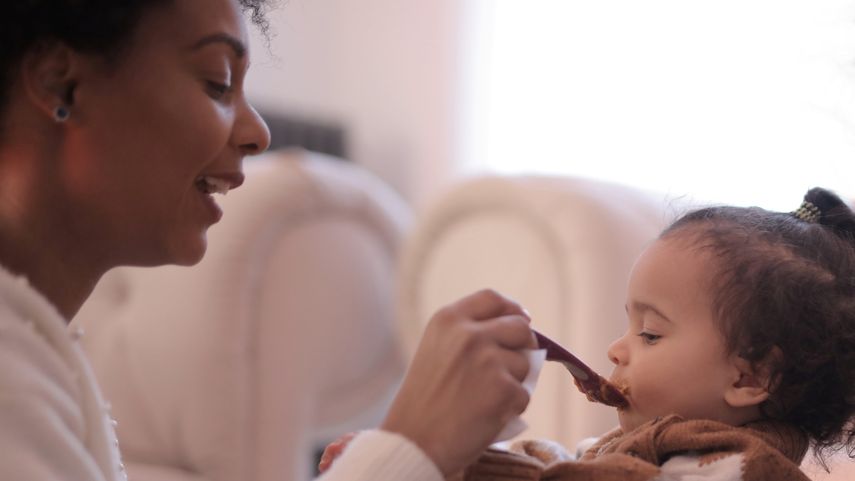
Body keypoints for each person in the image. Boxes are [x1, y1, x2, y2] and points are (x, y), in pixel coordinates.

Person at [0, 1, 535, 480]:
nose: (259, 133)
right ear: (59, 85)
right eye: (216, 81)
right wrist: (412, 446)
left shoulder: (39, 357)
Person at [327, 188, 855, 480]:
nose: (616, 348)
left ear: (751, 374)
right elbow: (552, 462)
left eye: (650, 334)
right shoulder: (625, 448)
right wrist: (441, 460)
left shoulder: (747, 471)